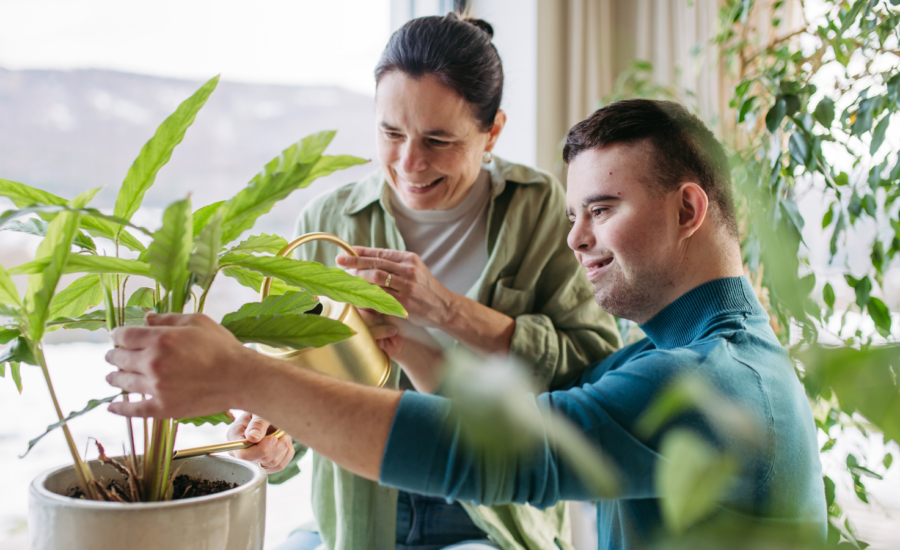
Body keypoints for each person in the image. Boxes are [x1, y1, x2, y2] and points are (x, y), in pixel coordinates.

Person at [104, 99, 828, 550]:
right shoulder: (686, 352)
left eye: (601, 210)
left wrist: (243, 372)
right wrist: (404, 342)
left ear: (688, 210)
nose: (576, 239)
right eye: (574, 215)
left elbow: (500, 455)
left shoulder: (707, 381)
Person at [224, 12, 621, 550]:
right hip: (357, 508)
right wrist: (275, 439)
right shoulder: (328, 223)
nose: (410, 162)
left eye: (438, 140)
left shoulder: (541, 209)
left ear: (492, 132)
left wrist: (447, 309)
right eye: (391, 133)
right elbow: (298, 386)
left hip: (487, 509)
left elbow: (592, 368)